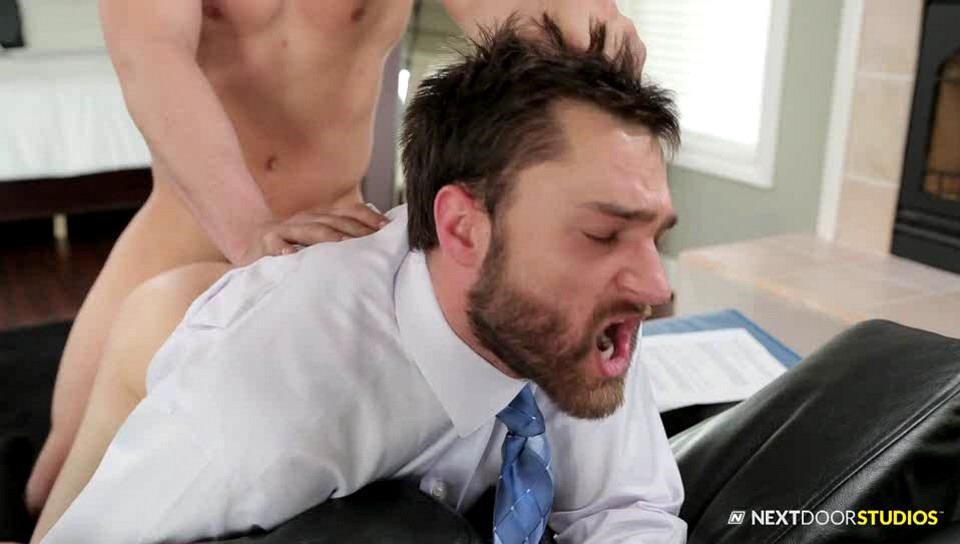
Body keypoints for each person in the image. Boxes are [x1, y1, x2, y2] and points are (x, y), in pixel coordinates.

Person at [33, 17, 683, 543]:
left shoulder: (580, 311)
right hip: (209, 245)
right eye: (603, 235)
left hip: (349, 230)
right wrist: (253, 238)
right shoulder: (260, 405)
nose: (656, 289)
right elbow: (150, 56)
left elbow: (630, 508)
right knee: (48, 486)